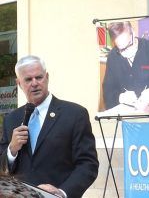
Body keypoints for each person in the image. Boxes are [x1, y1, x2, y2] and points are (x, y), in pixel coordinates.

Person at [0, 55, 99, 198]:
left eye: (38, 77)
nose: (34, 83)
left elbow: (88, 164)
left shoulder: (75, 114)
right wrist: (12, 149)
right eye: (28, 79)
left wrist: (62, 192)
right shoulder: (12, 119)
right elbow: (3, 168)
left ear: (47, 77)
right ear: (19, 83)